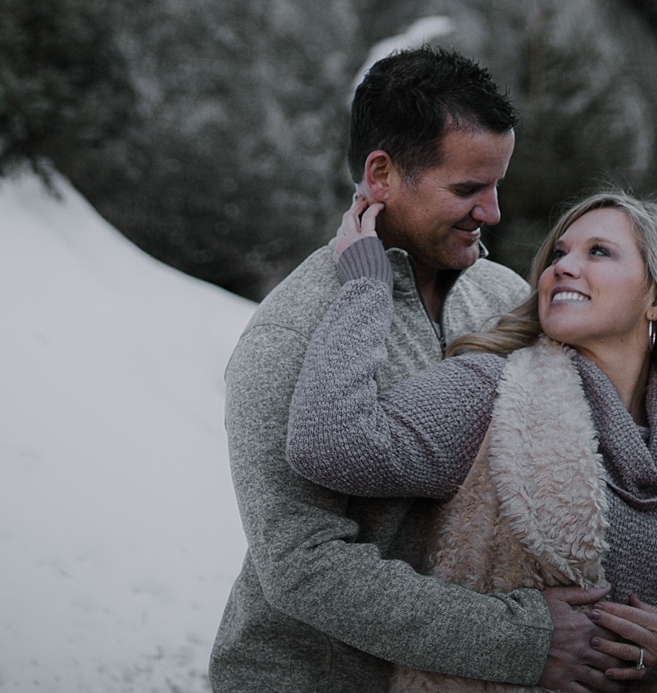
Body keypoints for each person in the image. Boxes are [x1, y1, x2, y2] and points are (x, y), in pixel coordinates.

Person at [210, 47, 617, 693]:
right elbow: (301, 565)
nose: (492, 213)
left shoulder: (505, 296)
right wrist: (519, 640)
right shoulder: (289, 332)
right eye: (466, 190)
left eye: (496, 185)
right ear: (381, 176)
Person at [287, 190, 657, 693]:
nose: (563, 267)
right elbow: (328, 444)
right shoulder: (493, 392)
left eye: (598, 252)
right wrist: (366, 287)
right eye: (558, 253)